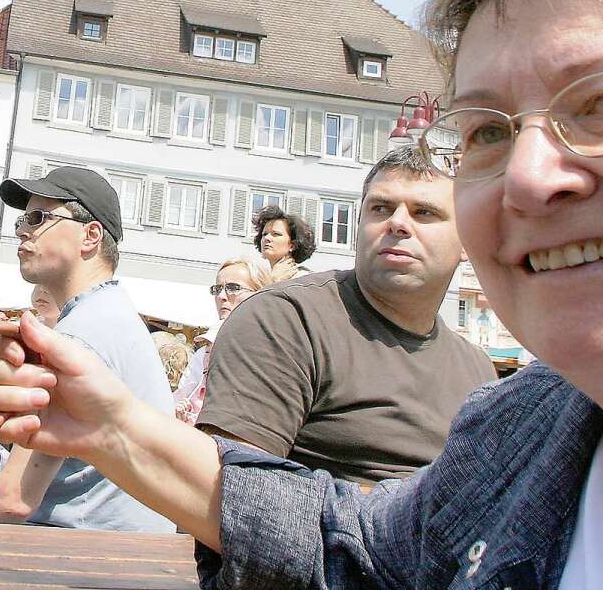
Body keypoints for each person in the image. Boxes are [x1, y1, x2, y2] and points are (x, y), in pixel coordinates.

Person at [0, 0, 603, 587]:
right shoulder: (525, 428)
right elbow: (355, 546)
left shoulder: (489, 389)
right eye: (488, 132)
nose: (531, 177)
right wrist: (113, 428)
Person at [200, 146, 495, 484]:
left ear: (468, 242)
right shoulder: (284, 320)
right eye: (380, 209)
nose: (397, 223)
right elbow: (236, 496)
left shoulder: (477, 370)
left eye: (424, 212)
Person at [0, 166, 174, 532]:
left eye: (37, 217)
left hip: (83, 557)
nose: (21, 230)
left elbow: (13, 500)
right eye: (22, 220)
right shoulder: (109, 312)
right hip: (120, 554)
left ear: (90, 236)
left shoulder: (81, 333)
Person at [174, 255, 271, 425]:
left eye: (233, 288)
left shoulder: (273, 350)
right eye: (217, 289)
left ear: (260, 293)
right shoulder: (204, 353)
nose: (221, 296)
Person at [251, 205, 315, 280]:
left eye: (276, 234)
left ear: (293, 245)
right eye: (264, 234)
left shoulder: (304, 278)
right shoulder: (259, 278)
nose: (266, 238)